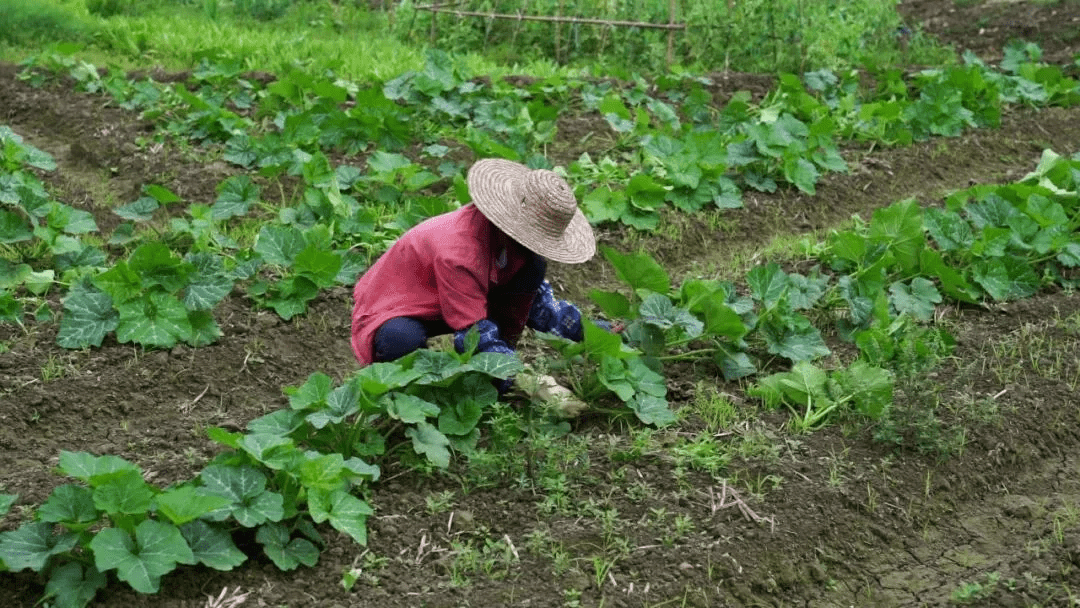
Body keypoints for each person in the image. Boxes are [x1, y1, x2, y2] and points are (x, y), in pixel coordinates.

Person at [350, 158, 596, 415]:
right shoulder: (459, 254)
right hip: (399, 303)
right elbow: (473, 333)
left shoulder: (513, 246)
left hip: (457, 297)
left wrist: (591, 331)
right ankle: (411, 401)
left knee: (532, 269)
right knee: (400, 339)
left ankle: (497, 372)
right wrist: (535, 385)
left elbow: (541, 307)